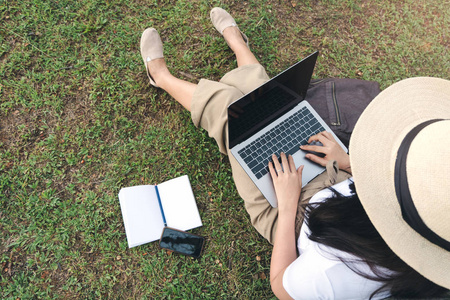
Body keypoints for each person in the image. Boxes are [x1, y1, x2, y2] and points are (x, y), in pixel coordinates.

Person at [140, 7, 450, 299]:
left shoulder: (333, 275)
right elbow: (387, 185)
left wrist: (287, 206)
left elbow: (282, 288)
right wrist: (347, 162)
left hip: (295, 220)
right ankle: (240, 50)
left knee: (234, 118)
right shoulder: (434, 202)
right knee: (277, 108)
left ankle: (163, 77)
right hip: (339, 183)